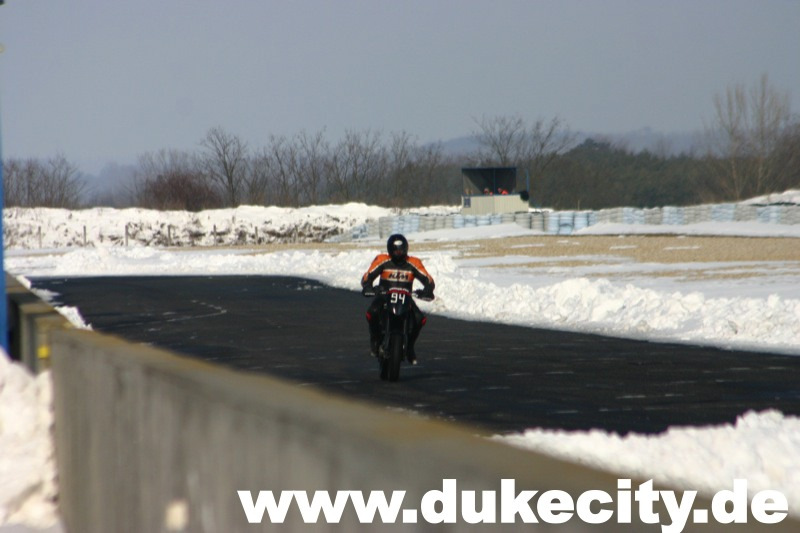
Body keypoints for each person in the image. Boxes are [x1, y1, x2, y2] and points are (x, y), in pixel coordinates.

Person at [361, 234, 435, 364]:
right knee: (371, 312)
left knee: (420, 319)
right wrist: (368, 287)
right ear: (390, 249)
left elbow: (428, 280)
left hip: (406, 297)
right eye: (395, 250)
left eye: (401, 249)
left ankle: (410, 346)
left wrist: (428, 290)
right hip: (384, 295)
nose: (398, 252)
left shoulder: (414, 262)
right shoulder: (382, 259)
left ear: (406, 248)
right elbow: (367, 276)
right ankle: (375, 340)